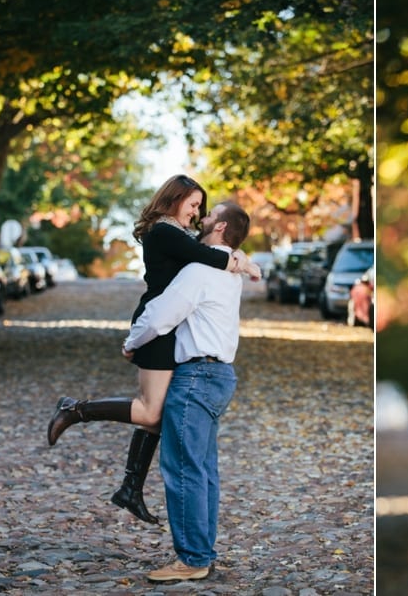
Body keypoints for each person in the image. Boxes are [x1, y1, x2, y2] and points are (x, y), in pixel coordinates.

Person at [47, 174, 260, 525]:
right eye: (193, 205)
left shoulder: (178, 232)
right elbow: (208, 254)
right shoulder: (164, 231)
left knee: (160, 416)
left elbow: (219, 247)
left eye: (201, 208)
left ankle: (131, 487)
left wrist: (245, 260)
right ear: (175, 199)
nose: (197, 213)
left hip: (169, 329)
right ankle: (75, 410)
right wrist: (244, 264)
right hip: (157, 327)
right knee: (150, 413)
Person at [122, 200, 249, 581]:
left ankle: (192, 559)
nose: (202, 217)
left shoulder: (199, 270)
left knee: (183, 470)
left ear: (221, 228)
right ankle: (201, 552)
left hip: (196, 378)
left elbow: (162, 314)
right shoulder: (231, 270)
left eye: (210, 215)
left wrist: (132, 342)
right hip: (219, 375)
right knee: (203, 470)